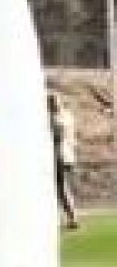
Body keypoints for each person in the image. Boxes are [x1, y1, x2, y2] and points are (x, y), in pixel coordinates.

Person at [48, 92, 79, 230]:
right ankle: (68, 216)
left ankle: (72, 217)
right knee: (61, 187)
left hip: (60, 155)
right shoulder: (67, 116)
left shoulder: (56, 119)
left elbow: (57, 136)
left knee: (61, 188)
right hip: (67, 154)